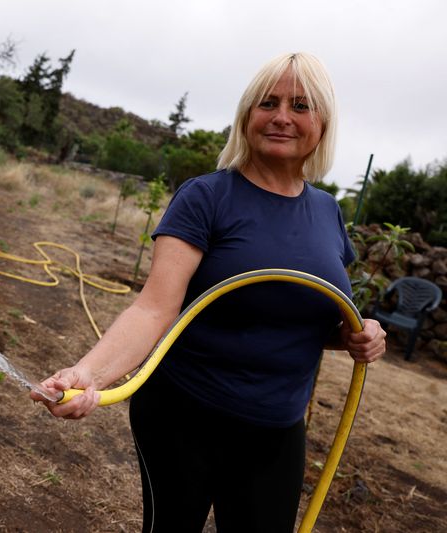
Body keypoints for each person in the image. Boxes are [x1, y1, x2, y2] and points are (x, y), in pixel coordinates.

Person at [30, 52, 386, 533]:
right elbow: (154, 309)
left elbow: (311, 318)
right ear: (246, 116)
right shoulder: (207, 197)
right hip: (184, 418)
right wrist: (87, 373)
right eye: (268, 102)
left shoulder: (328, 212)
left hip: (278, 430)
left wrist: (357, 336)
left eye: (300, 105)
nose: (282, 116)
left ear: (322, 123)